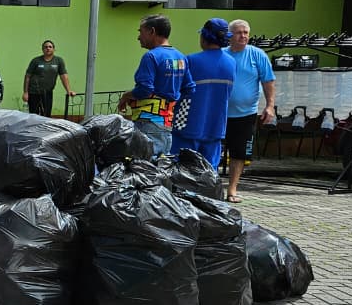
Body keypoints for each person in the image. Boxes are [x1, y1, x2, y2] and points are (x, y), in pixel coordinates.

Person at [117, 14, 194, 157]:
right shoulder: (180, 57)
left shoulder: (151, 56)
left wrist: (126, 96)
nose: (138, 37)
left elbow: (145, 89)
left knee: (145, 167)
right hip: (166, 124)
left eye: (141, 31)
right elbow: (189, 88)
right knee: (160, 167)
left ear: (152, 31)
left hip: (148, 122)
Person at [223, 18, 277, 203]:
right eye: (239, 32)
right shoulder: (222, 54)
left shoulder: (258, 55)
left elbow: (268, 81)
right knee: (215, 149)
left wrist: (269, 106)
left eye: (246, 32)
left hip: (245, 114)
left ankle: (232, 190)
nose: (243, 36)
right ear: (230, 35)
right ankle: (211, 186)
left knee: (239, 153)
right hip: (220, 113)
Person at [171, 18, 235, 168]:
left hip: (186, 125)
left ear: (204, 37)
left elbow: (176, 90)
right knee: (209, 171)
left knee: (181, 168)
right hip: (216, 126)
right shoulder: (231, 63)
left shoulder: (191, 60)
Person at [22, 40, 74, 116]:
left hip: (48, 93)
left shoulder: (58, 61)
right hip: (33, 92)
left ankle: (43, 128)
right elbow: (27, 77)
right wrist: (25, 92)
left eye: (50, 47)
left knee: (46, 115)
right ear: (43, 49)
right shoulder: (35, 61)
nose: (48, 48)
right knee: (33, 115)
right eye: (45, 47)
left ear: (54, 49)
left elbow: (64, 76)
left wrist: (68, 90)